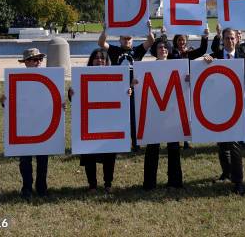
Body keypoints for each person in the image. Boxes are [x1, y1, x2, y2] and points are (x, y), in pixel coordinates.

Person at [203, 27, 245, 195]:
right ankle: (226, 173)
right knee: (222, 143)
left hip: (237, 106)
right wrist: (205, 61)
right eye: (226, 38)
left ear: (237, 39)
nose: (229, 41)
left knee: (234, 144)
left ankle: (239, 181)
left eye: (232, 38)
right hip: (219, 106)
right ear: (222, 40)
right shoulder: (214, 58)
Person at [67, 48, 127, 193]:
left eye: (103, 58)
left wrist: (127, 92)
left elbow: (120, 97)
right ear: (91, 60)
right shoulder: (82, 76)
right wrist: (71, 94)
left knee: (109, 153)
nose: (99, 60)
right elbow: (75, 100)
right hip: (90, 121)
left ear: (107, 62)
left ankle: (108, 184)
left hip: (108, 121)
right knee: (89, 153)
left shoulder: (115, 77)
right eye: (97, 57)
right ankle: (92, 185)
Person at [0, 48, 57, 199]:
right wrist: (4, 102)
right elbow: (10, 104)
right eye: (34, 59)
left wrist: (60, 105)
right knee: (25, 159)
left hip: (43, 123)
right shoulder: (17, 79)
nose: (38, 62)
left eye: (40, 59)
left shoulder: (50, 78)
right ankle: (26, 187)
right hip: (24, 125)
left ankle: (41, 187)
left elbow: (54, 101)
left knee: (42, 159)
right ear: (26, 63)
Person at [98, 20, 154, 149]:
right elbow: (101, 43)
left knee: (134, 117)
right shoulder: (114, 50)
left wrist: (148, 29)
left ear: (132, 40)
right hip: (118, 88)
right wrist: (105, 30)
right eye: (124, 39)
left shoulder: (138, 50)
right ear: (120, 40)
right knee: (119, 116)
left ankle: (135, 144)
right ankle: (118, 142)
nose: (127, 41)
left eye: (129, 39)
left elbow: (151, 41)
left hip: (135, 88)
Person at [141, 37, 184, 190]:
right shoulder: (147, 68)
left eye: (165, 47)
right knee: (152, 148)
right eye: (160, 47)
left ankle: (175, 181)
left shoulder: (178, 67)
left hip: (172, 112)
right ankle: (149, 183)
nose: (163, 49)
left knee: (173, 147)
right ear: (155, 51)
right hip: (154, 112)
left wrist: (187, 79)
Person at [165, 26, 210, 149]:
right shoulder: (171, 53)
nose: (181, 42)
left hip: (187, 88)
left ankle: (186, 141)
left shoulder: (189, 53)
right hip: (173, 88)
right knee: (175, 114)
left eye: (183, 40)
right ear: (175, 41)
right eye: (179, 40)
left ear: (186, 41)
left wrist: (205, 37)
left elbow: (202, 50)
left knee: (187, 114)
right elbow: (161, 49)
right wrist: (163, 34)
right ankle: (176, 138)